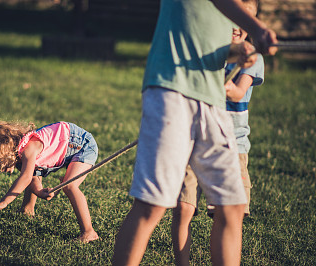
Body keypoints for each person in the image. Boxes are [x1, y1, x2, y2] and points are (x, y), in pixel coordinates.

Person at [112, 0, 277, 265]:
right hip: (172, 89)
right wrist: (256, 27)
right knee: (152, 205)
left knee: (232, 205)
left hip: (212, 99)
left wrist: (237, 51)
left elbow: (206, 45)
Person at [175, 0, 264, 264]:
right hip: (194, 139)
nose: (239, 26)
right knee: (183, 208)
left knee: (228, 213)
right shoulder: (210, 49)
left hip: (232, 145)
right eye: (234, 17)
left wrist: (211, 84)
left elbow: (237, 91)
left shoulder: (252, 57)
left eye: (246, 19)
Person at [0, 121, 99, 243]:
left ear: (6, 149)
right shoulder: (18, 155)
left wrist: (4, 202)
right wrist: (39, 191)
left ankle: (89, 232)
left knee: (70, 186)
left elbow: (26, 178)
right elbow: (33, 176)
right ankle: (27, 210)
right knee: (30, 171)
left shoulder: (29, 148)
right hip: (68, 144)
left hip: (82, 145)